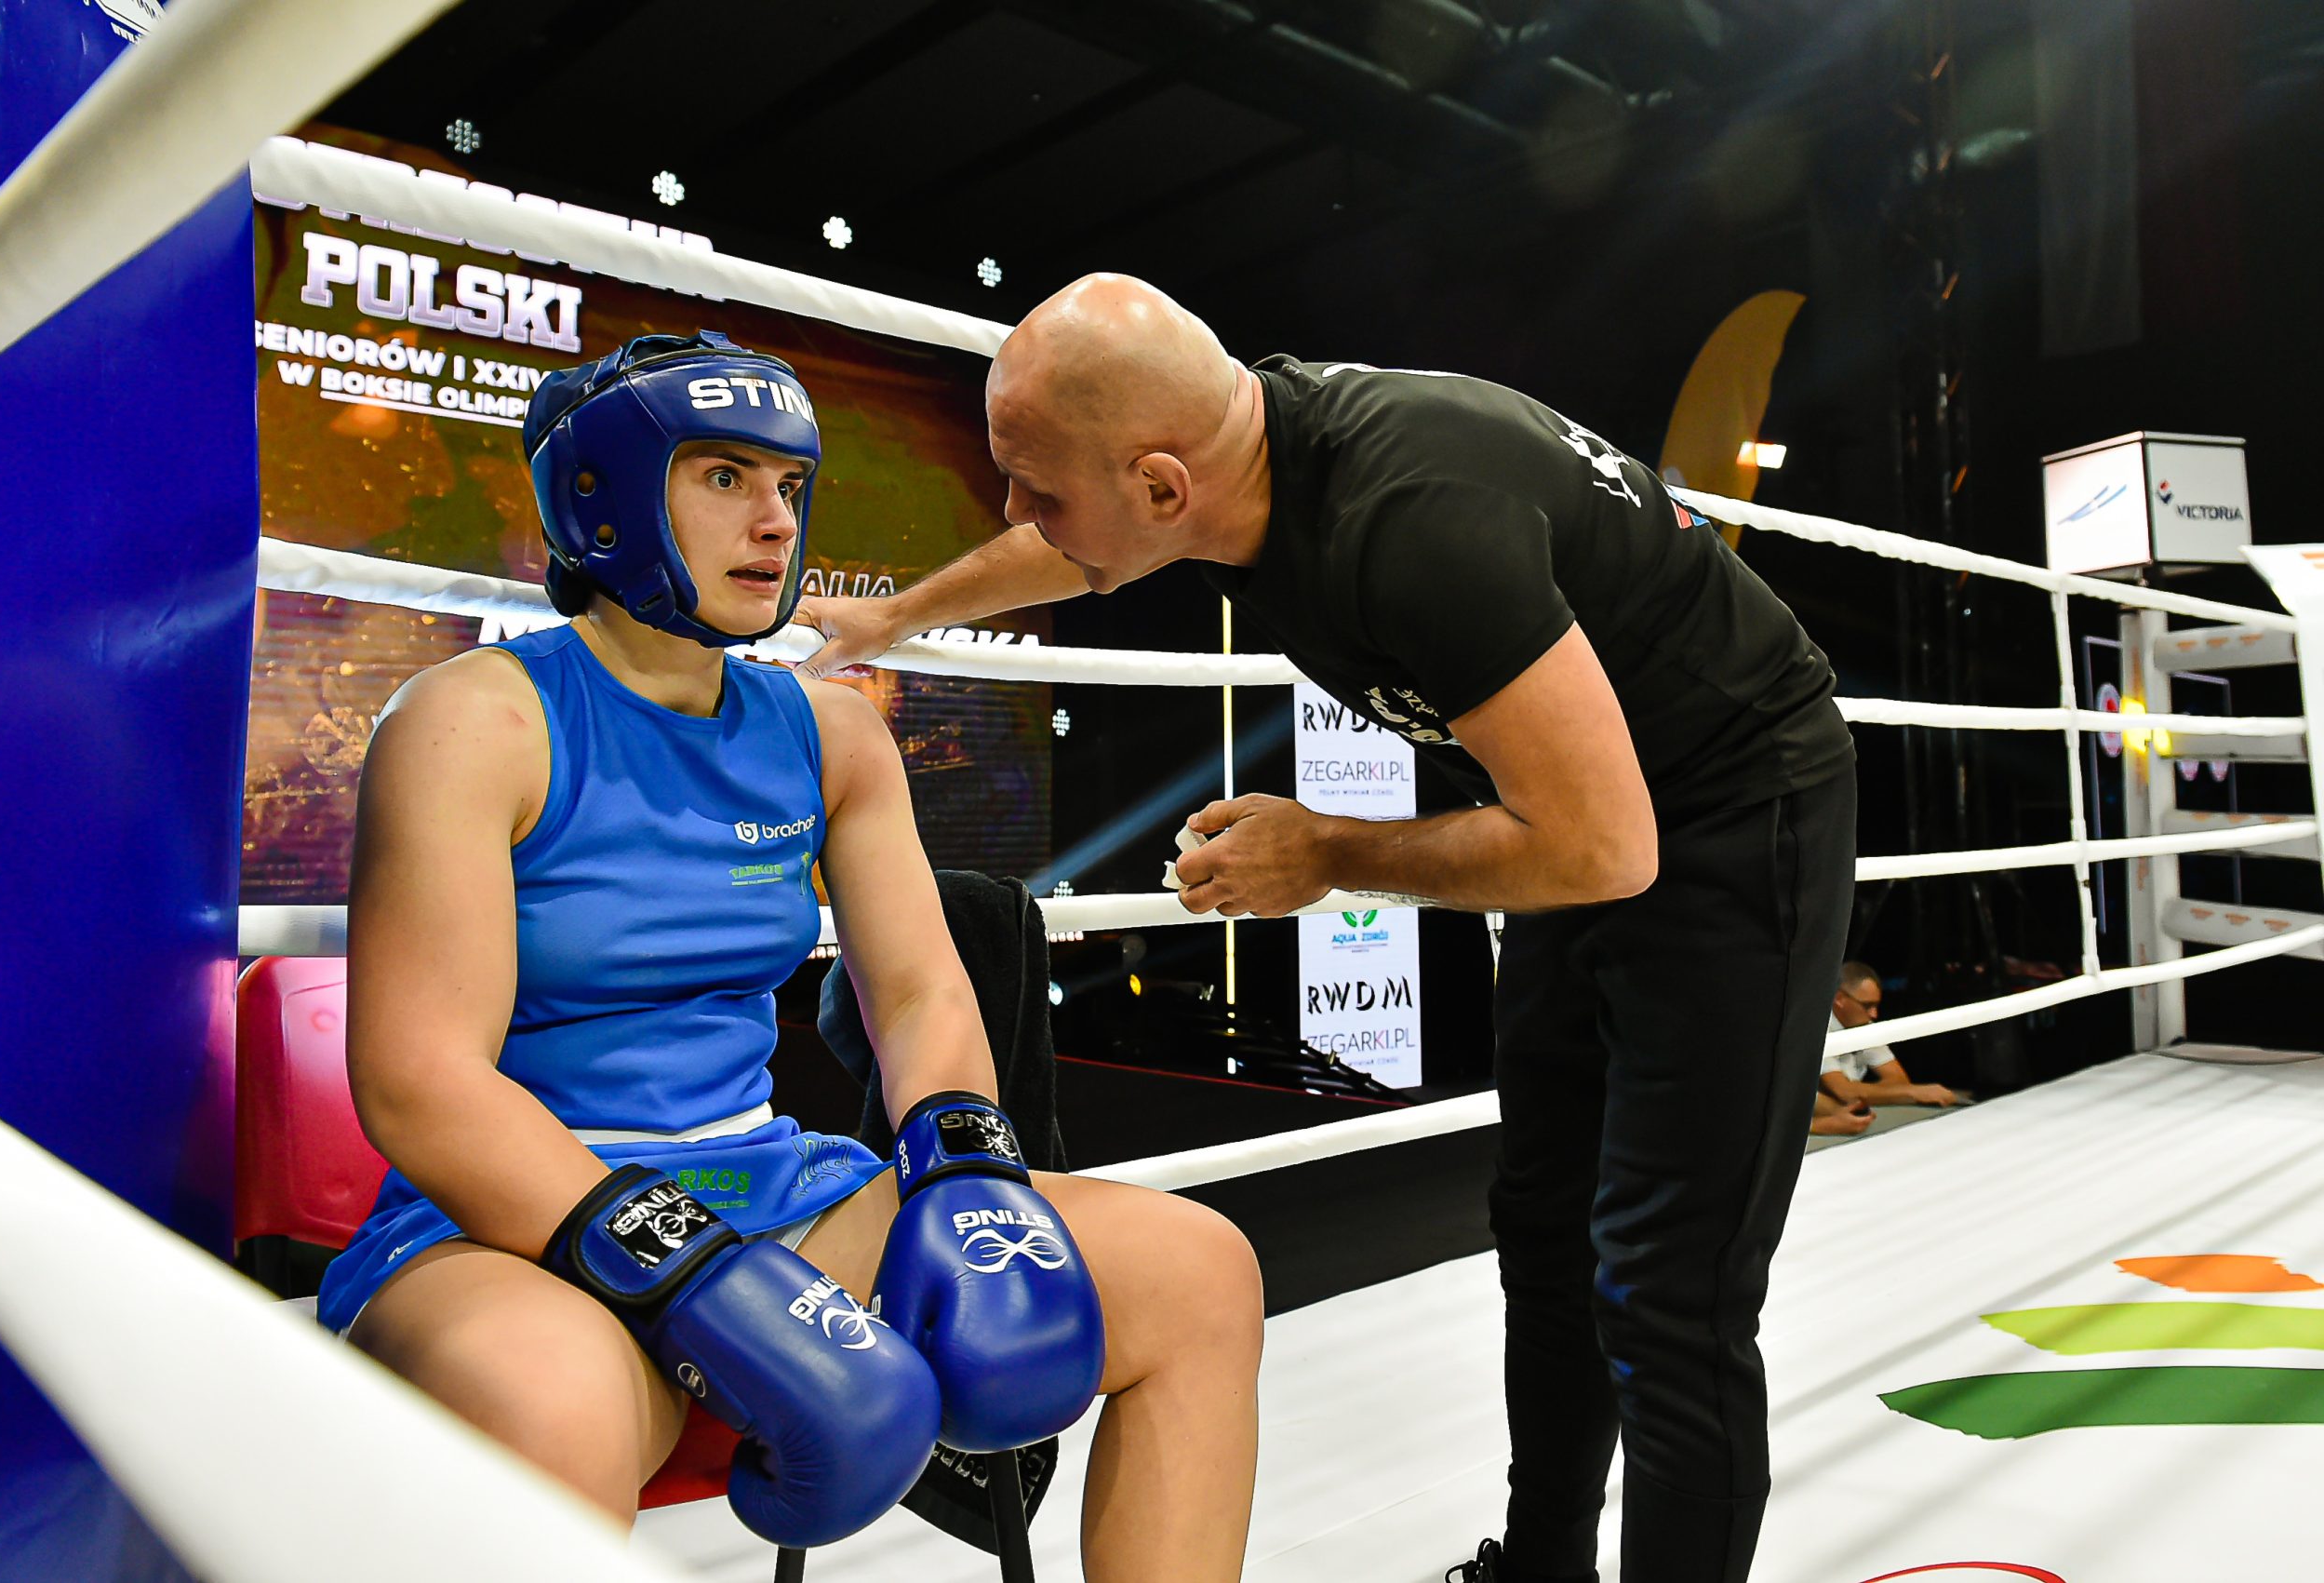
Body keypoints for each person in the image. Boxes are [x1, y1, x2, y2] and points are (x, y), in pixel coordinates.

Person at [794, 275, 1858, 1583]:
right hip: (1577, 804)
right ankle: (1542, 1571)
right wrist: (896, 615)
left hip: (1733, 813)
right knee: (1547, 1229)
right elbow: (1078, 538)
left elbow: (1604, 848)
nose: (1019, 513)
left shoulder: (1409, 523)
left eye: (1036, 488)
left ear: (1164, 486)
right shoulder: (1237, 460)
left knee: (1669, 1283)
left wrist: (1329, 852)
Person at [318, 332, 1262, 1578]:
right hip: (512, 1223)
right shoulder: (477, 719)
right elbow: (419, 1079)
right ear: (602, 496)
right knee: (558, 1402)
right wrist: (678, 1265)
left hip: (769, 1195)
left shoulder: (828, 734)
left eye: (788, 484)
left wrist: (965, 1172)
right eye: (724, 477)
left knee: (1198, 1271)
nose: (774, 522)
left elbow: (919, 991)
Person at [1821, 961, 1958, 1109]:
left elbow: (1899, 1081)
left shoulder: (1864, 1026)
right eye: (1867, 1006)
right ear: (1839, 999)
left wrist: (1859, 1093)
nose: (1874, 1014)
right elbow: (1844, 1092)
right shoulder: (1816, 1030)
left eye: (1876, 1005)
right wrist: (1913, 1093)